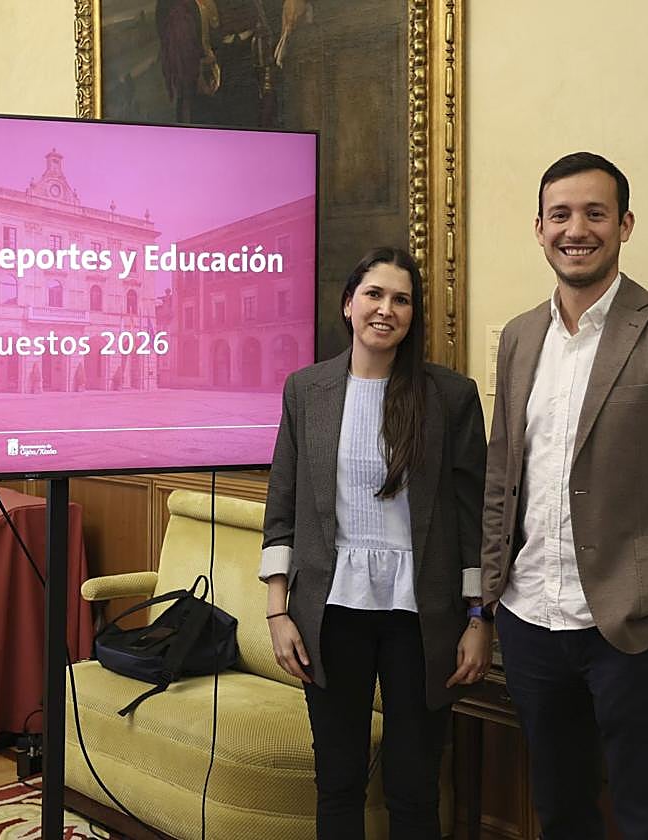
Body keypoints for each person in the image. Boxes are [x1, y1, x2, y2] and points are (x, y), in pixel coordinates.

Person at [481, 151, 648, 839]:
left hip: (636, 632)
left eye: (595, 213)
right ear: (539, 229)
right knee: (561, 811)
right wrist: (491, 599)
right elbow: (503, 475)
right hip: (530, 622)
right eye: (560, 215)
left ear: (624, 224)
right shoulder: (519, 336)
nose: (576, 229)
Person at [261, 246, 490, 839]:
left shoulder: (450, 396)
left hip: (424, 618)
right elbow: (281, 504)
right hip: (331, 613)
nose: (386, 309)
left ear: (412, 315)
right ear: (349, 304)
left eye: (402, 299)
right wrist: (277, 609)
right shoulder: (305, 389)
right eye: (374, 295)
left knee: (414, 789)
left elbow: (473, 518)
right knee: (337, 783)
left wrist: (476, 617)